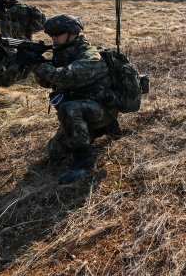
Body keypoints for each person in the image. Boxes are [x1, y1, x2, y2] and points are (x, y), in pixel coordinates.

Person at [27, 14, 124, 185]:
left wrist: (38, 65)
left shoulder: (90, 56)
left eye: (58, 33)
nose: (54, 38)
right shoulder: (63, 53)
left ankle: (84, 162)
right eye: (51, 35)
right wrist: (36, 62)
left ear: (73, 33)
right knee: (55, 151)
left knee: (68, 109)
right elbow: (46, 82)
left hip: (102, 109)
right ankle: (97, 130)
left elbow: (67, 77)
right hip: (84, 110)